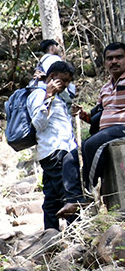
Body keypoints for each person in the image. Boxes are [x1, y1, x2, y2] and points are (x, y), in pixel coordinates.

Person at [59, 42, 125, 217]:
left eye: (119, 57)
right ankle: (74, 198)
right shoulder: (105, 88)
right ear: (104, 63)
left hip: (122, 129)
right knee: (70, 157)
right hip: (106, 132)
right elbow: (99, 115)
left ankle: (89, 196)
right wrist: (84, 115)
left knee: (91, 145)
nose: (114, 61)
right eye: (110, 58)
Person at [25, 60, 80, 230]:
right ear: (51, 77)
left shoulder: (58, 97)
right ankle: (76, 234)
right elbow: (38, 124)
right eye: (62, 80)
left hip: (59, 151)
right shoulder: (38, 95)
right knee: (68, 195)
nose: (65, 85)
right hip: (54, 152)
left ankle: (50, 235)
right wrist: (48, 96)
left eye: (68, 82)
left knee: (51, 198)